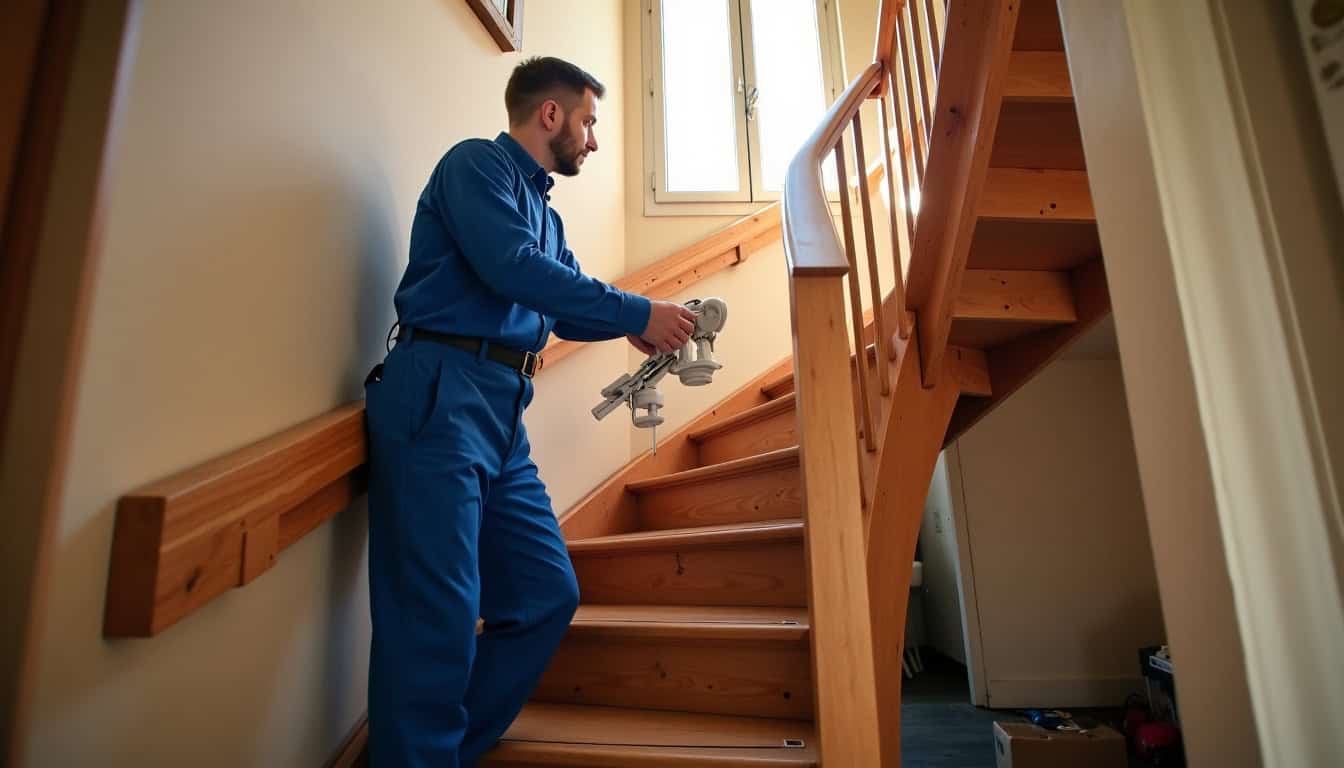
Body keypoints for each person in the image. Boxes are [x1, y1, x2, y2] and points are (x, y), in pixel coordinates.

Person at [362, 56, 697, 766]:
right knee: (437, 618)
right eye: (590, 121)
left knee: (546, 593)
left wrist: (631, 324)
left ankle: (438, 752)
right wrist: (637, 308)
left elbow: (565, 298)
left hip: (501, 411)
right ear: (552, 115)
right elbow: (514, 269)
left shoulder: (543, 211)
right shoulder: (476, 166)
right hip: (439, 392)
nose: (593, 139)